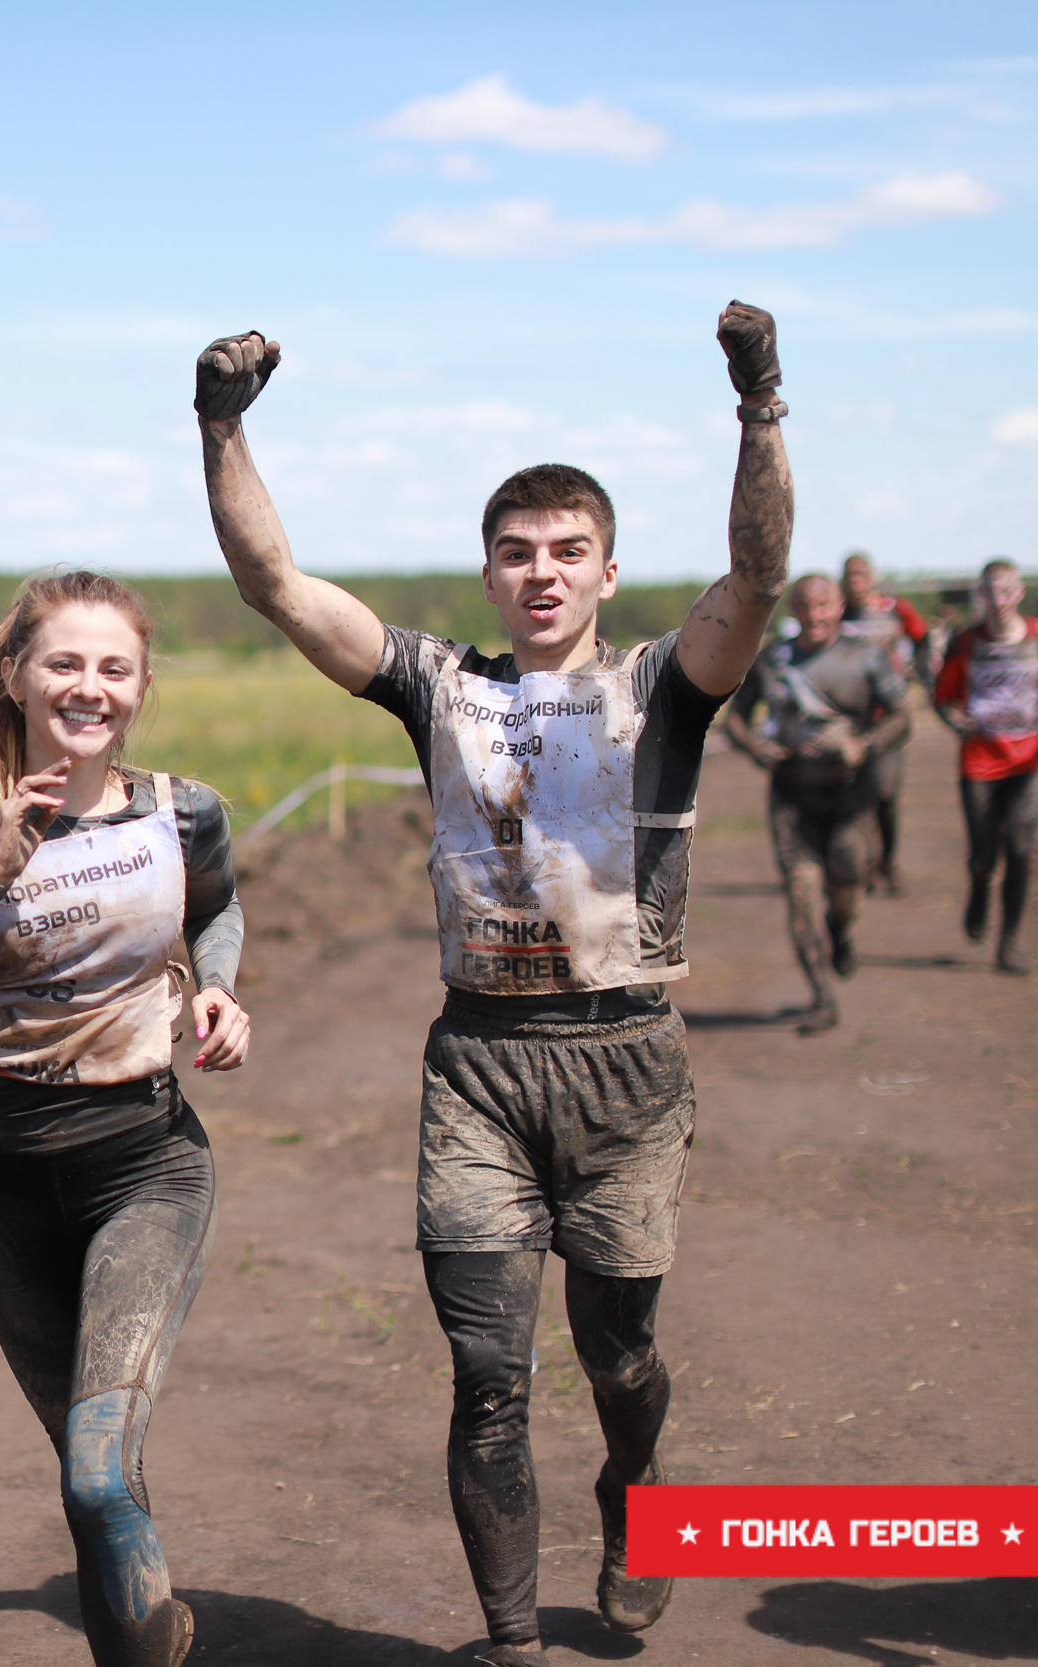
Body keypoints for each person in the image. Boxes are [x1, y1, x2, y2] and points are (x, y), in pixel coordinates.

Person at [196, 303, 793, 1664]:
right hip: (477, 1067)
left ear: (606, 569)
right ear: (486, 572)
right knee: (487, 1379)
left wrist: (760, 406)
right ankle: (514, 1637)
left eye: (568, 553)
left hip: (628, 1065)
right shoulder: (435, 686)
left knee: (619, 1354)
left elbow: (755, 578)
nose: (542, 574)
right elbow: (276, 583)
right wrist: (220, 423)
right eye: (518, 553)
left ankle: (637, 1491)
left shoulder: (664, 686)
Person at [0, 569, 248, 1667]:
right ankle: (148, 1636)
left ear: (140, 684)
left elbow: (217, 907)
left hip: (145, 1165)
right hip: (0, 1181)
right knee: (93, 1476)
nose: (90, 686)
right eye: (64, 662)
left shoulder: (180, 807)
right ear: (16, 675)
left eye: (113, 667)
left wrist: (216, 985)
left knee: (95, 1465)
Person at [723, 576, 911, 1032]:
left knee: (846, 886)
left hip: (851, 796)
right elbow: (736, 720)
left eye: (824, 605)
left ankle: (842, 931)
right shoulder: (772, 660)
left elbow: (903, 718)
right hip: (793, 797)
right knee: (802, 894)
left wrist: (865, 746)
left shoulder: (864, 657)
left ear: (840, 607)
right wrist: (756, 749)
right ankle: (822, 998)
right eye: (806, 607)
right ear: (795, 610)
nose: (815, 615)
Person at [933, 559, 1038, 975]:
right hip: (979, 761)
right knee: (984, 855)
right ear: (979, 597)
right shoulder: (965, 643)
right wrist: (953, 719)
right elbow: (942, 696)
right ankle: (979, 886)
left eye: (1006, 592)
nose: (998, 601)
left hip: (1028, 761)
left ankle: (1009, 944)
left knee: (1019, 850)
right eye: (990, 593)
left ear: (1019, 594)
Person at [837, 552, 931, 894]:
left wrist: (920, 674)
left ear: (873, 577)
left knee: (886, 793)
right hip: (849, 718)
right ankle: (862, 865)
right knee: (856, 796)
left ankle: (888, 860)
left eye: (862, 575)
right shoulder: (838, 613)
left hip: (887, 718)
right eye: (849, 576)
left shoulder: (895, 610)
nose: (856, 581)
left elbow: (922, 638)